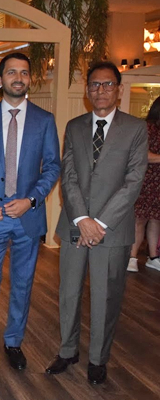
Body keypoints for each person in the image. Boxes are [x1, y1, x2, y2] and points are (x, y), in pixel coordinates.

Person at [47, 61, 148, 384]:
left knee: (106, 295)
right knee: (68, 292)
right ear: (87, 90)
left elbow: (133, 182)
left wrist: (99, 223)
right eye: (94, 85)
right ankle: (67, 351)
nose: (100, 90)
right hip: (75, 224)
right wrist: (82, 219)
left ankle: (98, 359)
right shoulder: (74, 127)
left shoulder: (135, 129)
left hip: (113, 229)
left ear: (118, 89)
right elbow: (69, 176)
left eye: (107, 85)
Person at [0, 53, 61, 373]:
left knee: (23, 283)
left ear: (30, 80)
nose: (18, 77)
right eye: (12, 72)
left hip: (28, 217)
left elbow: (52, 167)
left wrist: (32, 200)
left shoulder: (44, 120)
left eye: (24, 72)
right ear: (1, 79)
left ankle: (13, 342)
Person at [128, 96, 160, 272]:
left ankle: (153, 257)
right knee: (139, 220)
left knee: (156, 220)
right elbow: (142, 154)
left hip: (158, 184)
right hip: (145, 180)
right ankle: (132, 256)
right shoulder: (146, 128)